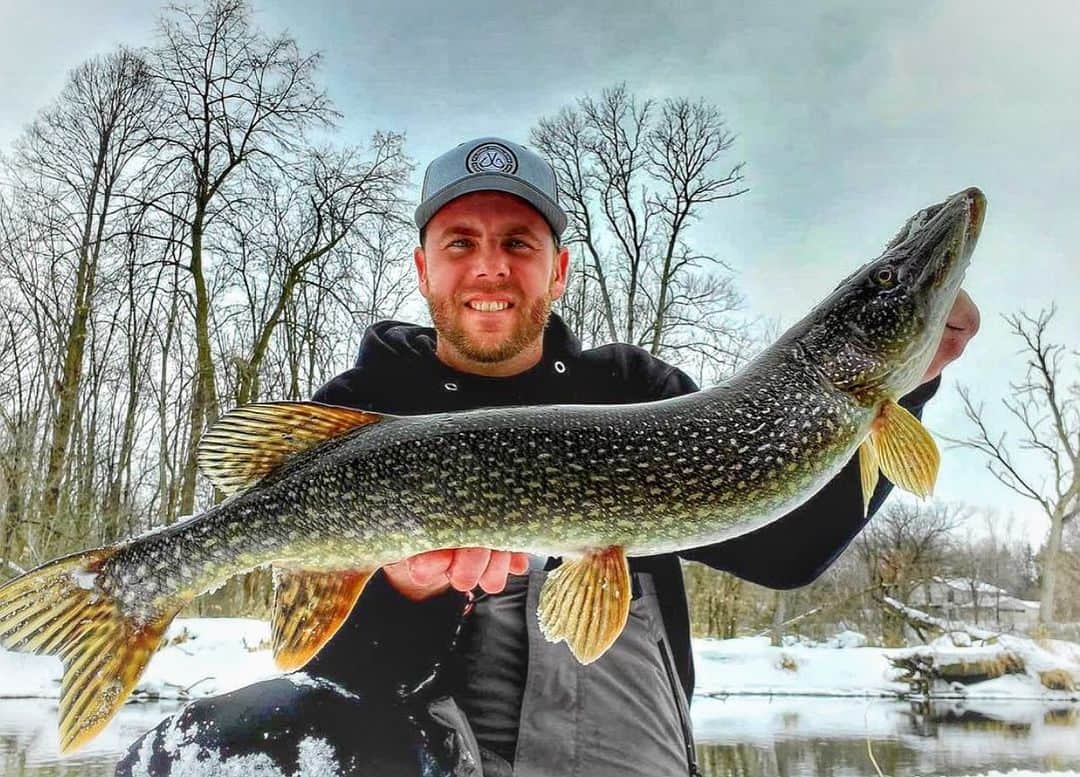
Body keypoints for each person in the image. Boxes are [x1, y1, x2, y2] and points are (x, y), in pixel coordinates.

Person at [117, 137, 979, 776]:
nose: (489, 268)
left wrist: (915, 380)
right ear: (424, 268)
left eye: (518, 243)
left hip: (622, 752)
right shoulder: (357, 409)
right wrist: (407, 590)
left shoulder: (640, 390)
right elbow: (335, 674)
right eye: (461, 242)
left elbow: (782, 549)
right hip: (426, 751)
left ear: (558, 269)